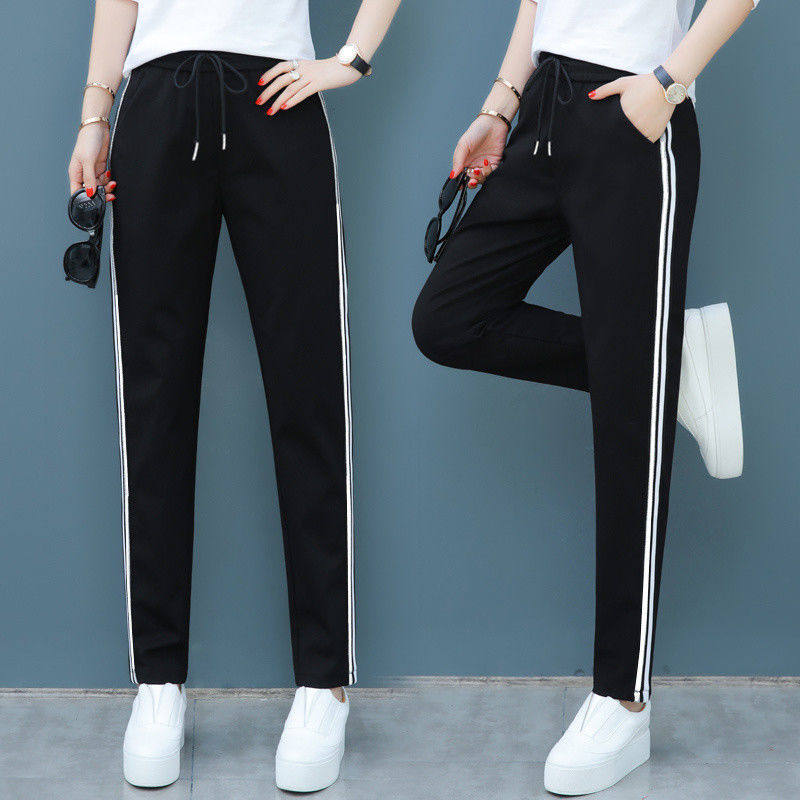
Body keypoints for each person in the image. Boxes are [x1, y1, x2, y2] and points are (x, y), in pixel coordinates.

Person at [412, 0, 757, 793]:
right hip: (542, 106)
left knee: (628, 425)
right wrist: (501, 105)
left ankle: (621, 699)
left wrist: (667, 85)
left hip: (634, 110)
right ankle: (670, 366)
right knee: (449, 320)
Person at [67, 0, 401, 790]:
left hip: (276, 103)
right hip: (154, 106)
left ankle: (323, 681)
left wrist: (351, 59)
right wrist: (93, 115)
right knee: (153, 404)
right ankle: (157, 681)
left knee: (310, 392)